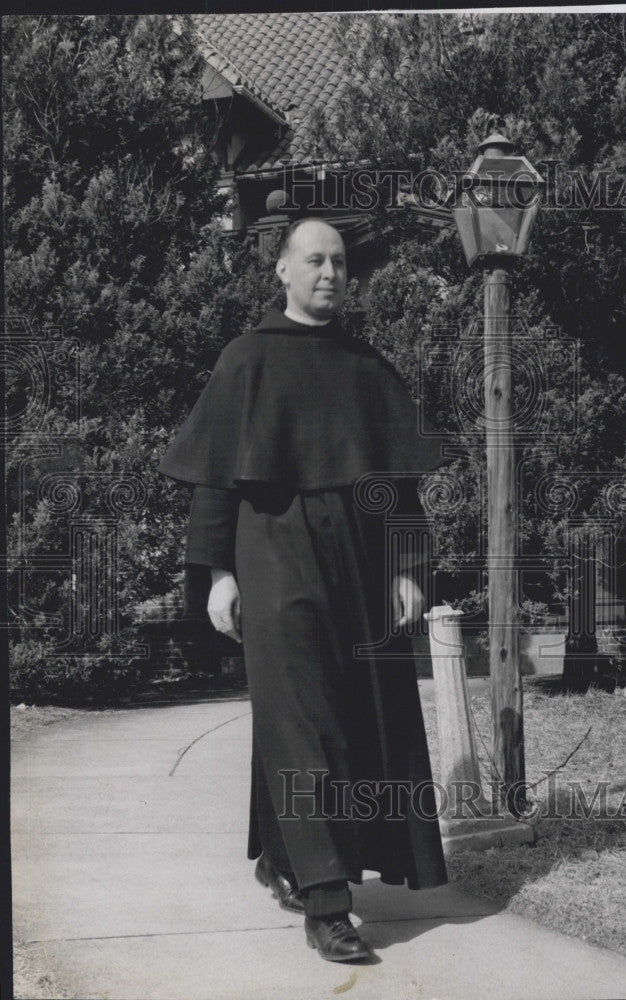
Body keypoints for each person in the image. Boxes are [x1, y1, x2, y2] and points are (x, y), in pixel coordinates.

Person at [158, 218, 449, 963]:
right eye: (314, 260)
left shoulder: (366, 366)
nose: (329, 273)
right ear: (282, 272)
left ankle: (280, 856)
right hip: (274, 549)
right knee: (302, 714)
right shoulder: (246, 360)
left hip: (359, 555)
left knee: (350, 712)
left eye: (340, 263)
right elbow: (216, 480)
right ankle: (327, 903)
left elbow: (400, 488)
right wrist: (218, 574)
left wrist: (408, 568)